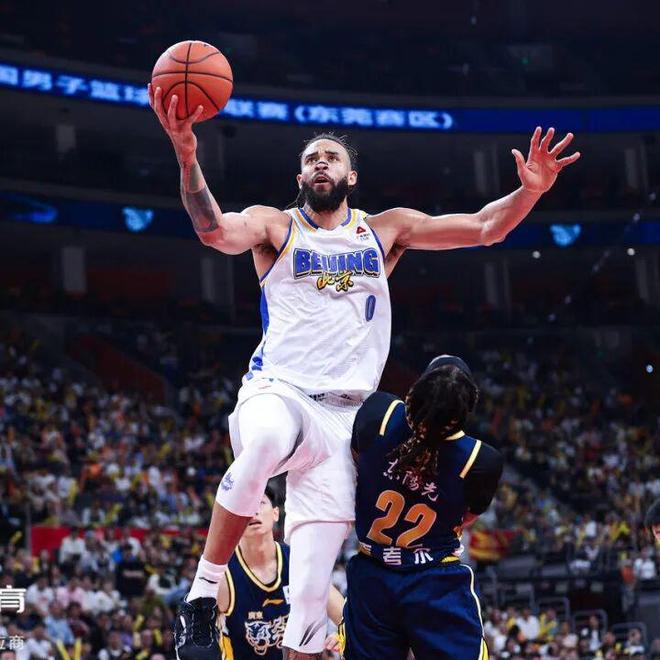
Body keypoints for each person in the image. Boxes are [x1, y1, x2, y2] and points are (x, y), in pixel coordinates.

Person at [148, 82, 579, 660]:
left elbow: (485, 228)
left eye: (331, 157)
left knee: (307, 608)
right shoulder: (276, 226)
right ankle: (202, 597)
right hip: (281, 390)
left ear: (351, 176)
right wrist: (186, 156)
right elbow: (214, 230)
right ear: (300, 176)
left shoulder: (385, 230)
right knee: (266, 441)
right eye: (310, 158)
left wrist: (529, 192)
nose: (320, 163)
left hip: (349, 422)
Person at [342, 355, 503, 659]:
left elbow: (356, 463)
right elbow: (466, 517)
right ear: (467, 408)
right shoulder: (480, 460)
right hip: (434, 578)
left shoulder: (380, 412)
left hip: (373, 572)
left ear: (418, 387)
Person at [218, 488, 343, 658]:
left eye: (260, 503)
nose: (253, 511)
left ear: (275, 514)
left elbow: (345, 617)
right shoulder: (223, 575)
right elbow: (197, 640)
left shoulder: (299, 561)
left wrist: (342, 635)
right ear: (234, 518)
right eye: (246, 505)